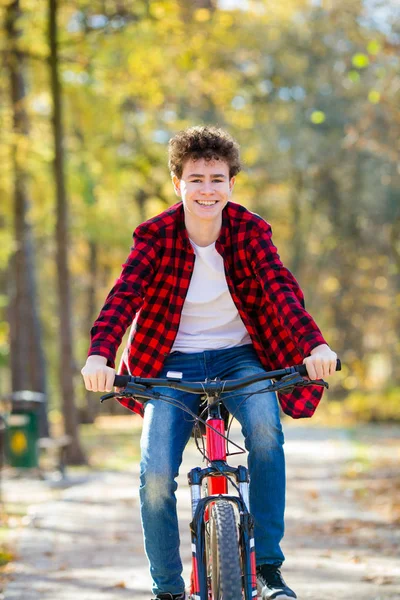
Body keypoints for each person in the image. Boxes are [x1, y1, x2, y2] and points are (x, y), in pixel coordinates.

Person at [81, 125, 337, 600]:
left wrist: (314, 346)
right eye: (196, 179)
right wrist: (100, 353)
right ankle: (167, 589)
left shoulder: (249, 230)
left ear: (231, 184)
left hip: (240, 358)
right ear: (177, 183)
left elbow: (280, 289)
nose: (206, 189)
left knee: (265, 429)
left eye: (217, 178)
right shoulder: (155, 236)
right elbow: (124, 297)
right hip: (171, 362)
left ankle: (267, 569)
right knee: (155, 470)